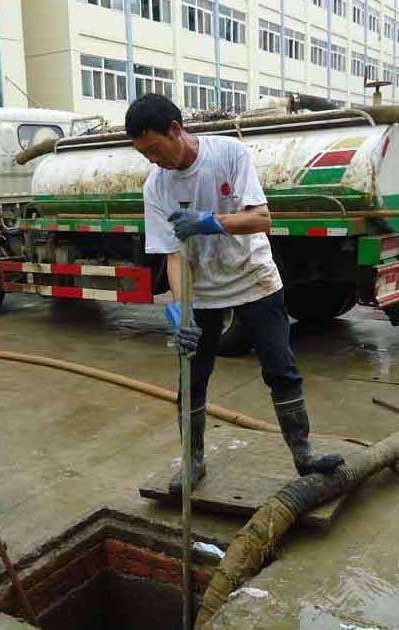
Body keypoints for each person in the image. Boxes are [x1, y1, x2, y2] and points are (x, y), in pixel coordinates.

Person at [125, 94, 344, 495]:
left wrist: (209, 222)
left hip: (254, 278)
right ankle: (193, 461)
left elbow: (262, 218)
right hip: (201, 289)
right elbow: (173, 256)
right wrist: (180, 312)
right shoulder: (155, 186)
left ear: (176, 129)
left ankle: (303, 453)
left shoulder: (228, 153)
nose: (153, 160)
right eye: (144, 154)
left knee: (281, 369)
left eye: (155, 149)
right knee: (192, 380)